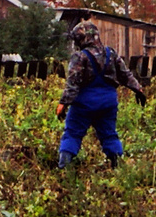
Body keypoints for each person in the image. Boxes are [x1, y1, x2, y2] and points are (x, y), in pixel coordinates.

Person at [55, 21, 146, 169]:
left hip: (84, 103)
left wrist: (63, 103)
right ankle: (118, 166)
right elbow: (125, 74)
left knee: (72, 133)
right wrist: (138, 89)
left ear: (81, 39)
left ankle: (64, 167)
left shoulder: (79, 57)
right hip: (108, 102)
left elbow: (73, 83)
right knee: (109, 134)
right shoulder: (111, 53)